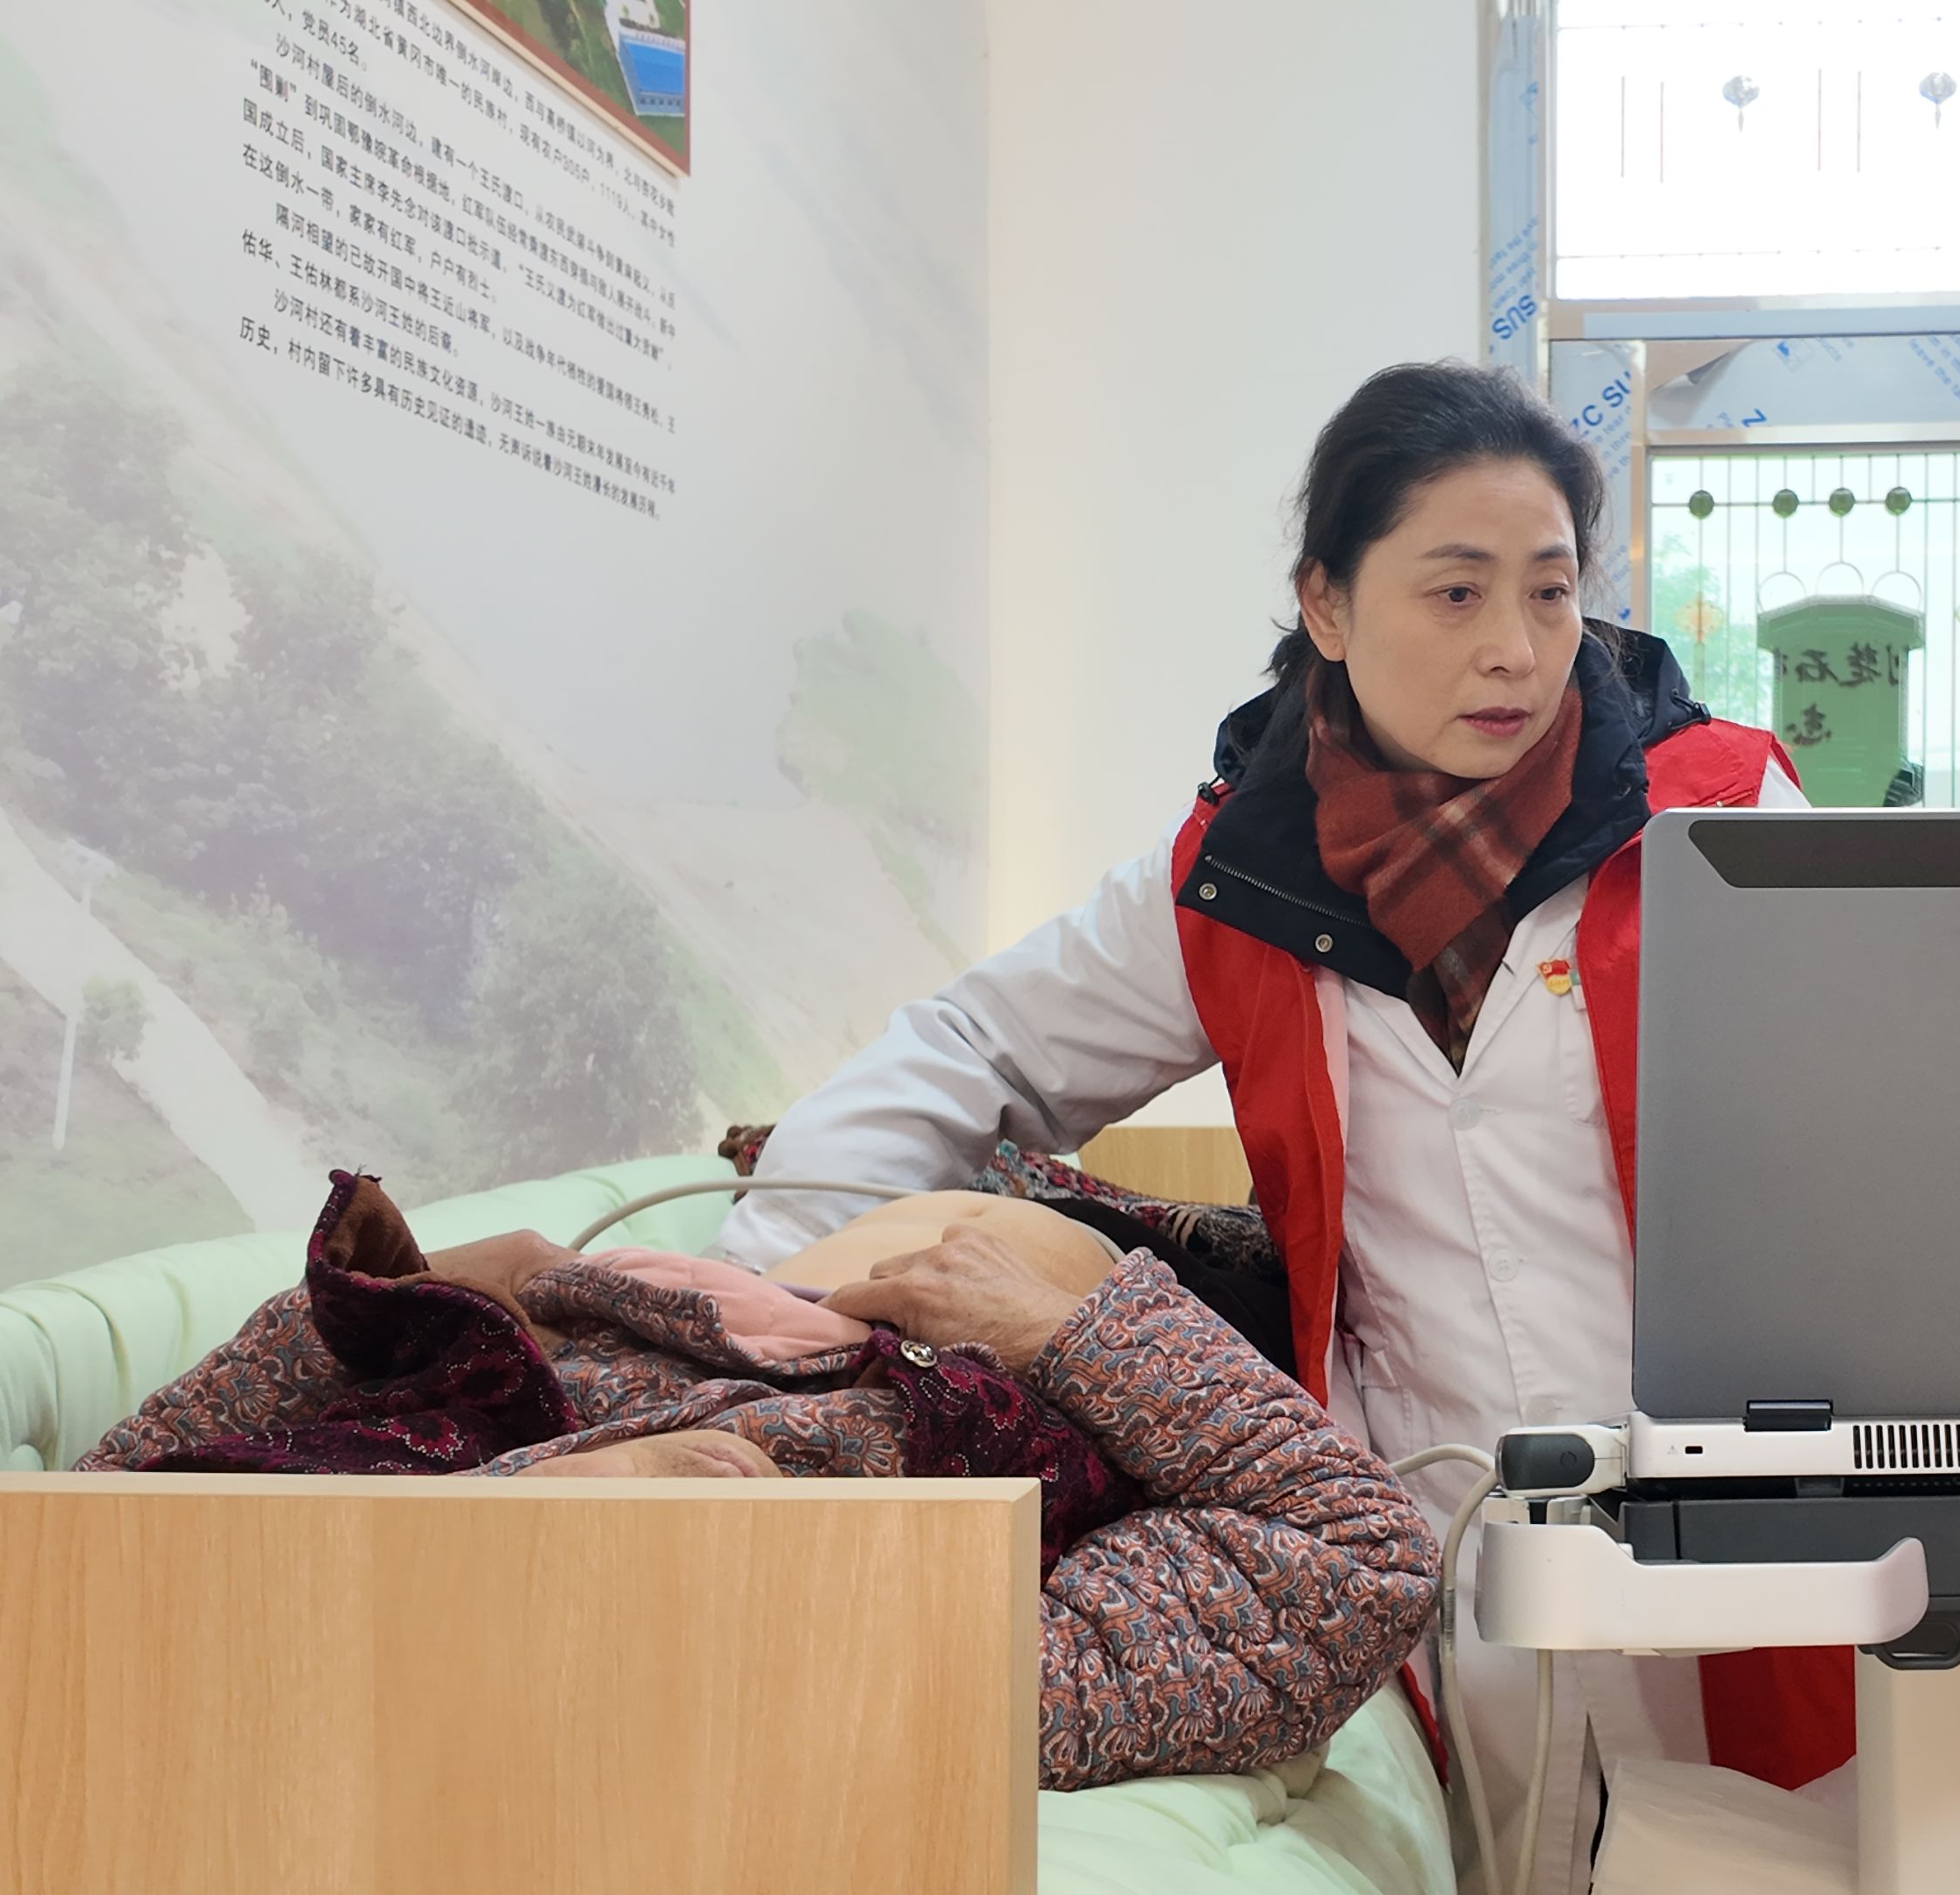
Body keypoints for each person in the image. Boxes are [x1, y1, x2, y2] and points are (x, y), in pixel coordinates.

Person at [712, 361, 1820, 1888]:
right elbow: (971, 1047)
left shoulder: (1718, 818)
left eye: (1551, 591)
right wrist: (751, 1301)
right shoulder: (1240, 875)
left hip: (1734, 1513)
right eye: (1455, 591)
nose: (1514, 648)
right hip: (1436, 1532)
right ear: (1329, 604)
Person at [83, 1167, 1439, 1791]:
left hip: (622, 1642)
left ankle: (481, 1579)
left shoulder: (1015, 1496)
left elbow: (1357, 1560)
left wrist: (1065, 1326)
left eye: (974, 1251)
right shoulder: (600, 1311)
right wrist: (384, 1310)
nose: (919, 1261)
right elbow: (74, 1535)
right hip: (206, 1616)